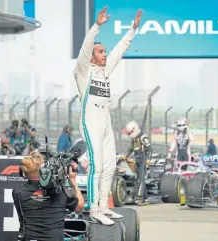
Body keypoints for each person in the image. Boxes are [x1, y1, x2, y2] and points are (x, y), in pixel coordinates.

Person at [73, 6, 142, 225]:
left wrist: (132, 30)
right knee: (98, 166)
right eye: (101, 52)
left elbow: (119, 52)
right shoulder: (84, 72)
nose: (105, 55)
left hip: (106, 121)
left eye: (104, 52)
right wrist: (97, 26)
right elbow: (85, 50)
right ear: (92, 58)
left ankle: (104, 206)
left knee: (111, 165)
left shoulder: (104, 71)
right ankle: (94, 209)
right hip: (91, 122)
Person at [13, 151, 84, 241]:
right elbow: (79, 207)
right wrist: (72, 179)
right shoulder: (60, 191)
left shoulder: (17, 192)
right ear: (44, 170)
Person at [124, 120, 152, 205]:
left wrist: (148, 159)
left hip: (143, 160)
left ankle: (138, 198)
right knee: (140, 180)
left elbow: (149, 149)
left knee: (141, 181)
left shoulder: (143, 137)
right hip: (137, 161)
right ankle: (145, 199)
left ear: (134, 129)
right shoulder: (134, 140)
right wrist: (126, 156)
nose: (129, 135)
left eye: (130, 133)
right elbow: (131, 149)